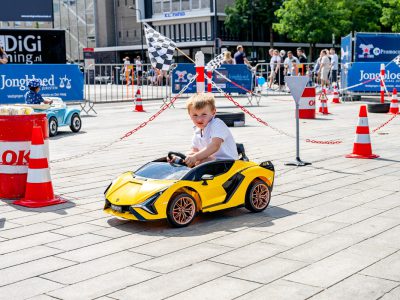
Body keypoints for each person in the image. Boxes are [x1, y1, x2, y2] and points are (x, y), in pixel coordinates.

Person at [171, 93, 238, 167]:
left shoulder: (217, 124)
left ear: (213, 112)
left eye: (204, 114)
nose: (199, 119)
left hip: (228, 163)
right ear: (189, 115)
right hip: (213, 161)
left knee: (202, 163)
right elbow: (194, 150)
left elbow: (215, 145)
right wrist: (184, 159)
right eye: (195, 115)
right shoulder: (197, 130)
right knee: (194, 161)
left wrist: (195, 157)